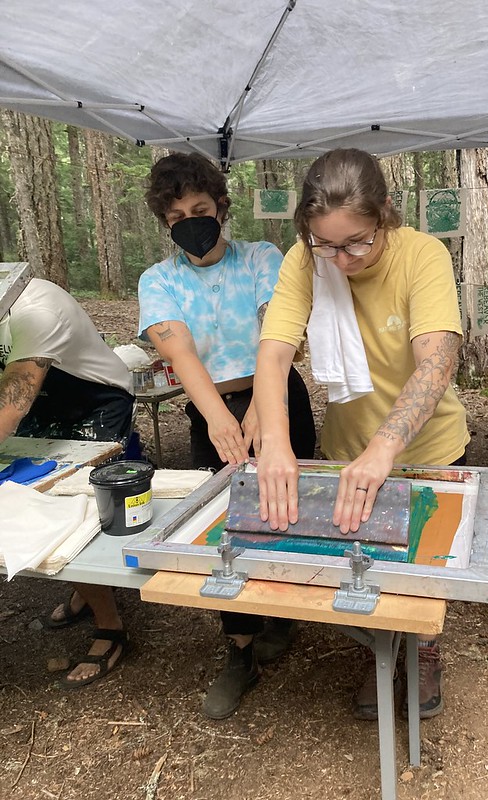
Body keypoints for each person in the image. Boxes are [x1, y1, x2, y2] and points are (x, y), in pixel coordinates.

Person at [254, 148, 470, 720]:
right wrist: (275, 443)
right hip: (347, 446)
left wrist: (385, 447)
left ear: (386, 215)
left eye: (356, 242)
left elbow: (436, 361)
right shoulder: (304, 261)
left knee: (423, 568)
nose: (341, 260)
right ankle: (379, 650)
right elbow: (274, 356)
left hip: (427, 445)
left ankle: (423, 651)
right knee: (364, 560)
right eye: (325, 243)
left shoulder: (423, 255)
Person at [139, 152, 316, 719]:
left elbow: (280, 334)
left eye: (200, 208)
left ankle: (285, 614)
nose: (191, 222)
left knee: (289, 512)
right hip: (209, 404)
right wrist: (217, 416)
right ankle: (238, 648)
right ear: (166, 224)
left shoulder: (263, 258)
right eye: (177, 217)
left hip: (279, 395)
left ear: (220, 206)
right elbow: (180, 351)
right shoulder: (159, 280)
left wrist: (265, 409)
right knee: (225, 529)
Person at [0, 277, 135, 688]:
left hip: (94, 398)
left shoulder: (36, 311)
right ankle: (86, 590)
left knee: (71, 503)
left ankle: (110, 627)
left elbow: (13, 402)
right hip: (41, 398)